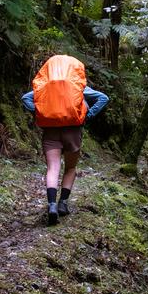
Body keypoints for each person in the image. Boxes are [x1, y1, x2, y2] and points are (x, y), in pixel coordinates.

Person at [21, 55, 109, 225]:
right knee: (70, 167)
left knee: (53, 168)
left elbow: (25, 98)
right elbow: (103, 98)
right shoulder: (78, 87)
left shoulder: (44, 87)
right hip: (73, 132)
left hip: (50, 132)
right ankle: (63, 203)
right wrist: (87, 117)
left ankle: (52, 205)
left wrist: (39, 113)